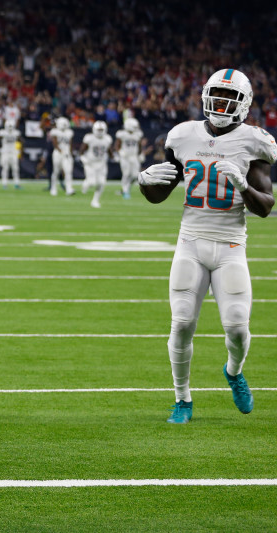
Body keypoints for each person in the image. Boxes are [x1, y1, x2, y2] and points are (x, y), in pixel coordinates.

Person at [137, 69, 276, 424]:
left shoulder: (254, 141)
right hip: (191, 243)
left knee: (237, 327)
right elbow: (160, 193)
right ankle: (182, 399)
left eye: (230, 98)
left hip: (230, 246)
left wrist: (244, 186)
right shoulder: (183, 135)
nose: (222, 103)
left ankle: (233, 371)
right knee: (182, 323)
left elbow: (265, 207)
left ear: (243, 104)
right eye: (217, 95)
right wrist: (144, 182)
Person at [80, 120, 113, 208]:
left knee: (102, 183)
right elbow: (82, 150)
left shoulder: (107, 139)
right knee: (91, 183)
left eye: (101, 130)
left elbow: (109, 150)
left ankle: (95, 200)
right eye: (98, 130)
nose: (100, 132)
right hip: (90, 163)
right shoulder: (89, 138)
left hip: (101, 163)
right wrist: (82, 158)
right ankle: (86, 183)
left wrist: (113, 157)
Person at [114, 117, 145, 199]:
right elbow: (117, 145)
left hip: (134, 156)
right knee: (126, 174)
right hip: (125, 157)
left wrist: (140, 154)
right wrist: (120, 152)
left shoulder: (137, 134)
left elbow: (139, 145)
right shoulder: (122, 134)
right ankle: (125, 191)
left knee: (135, 175)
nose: (136, 129)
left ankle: (126, 189)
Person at [48, 117, 74, 196]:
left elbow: (70, 144)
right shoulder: (55, 132)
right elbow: (55, 144)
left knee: (68, 171)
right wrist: (62, 152)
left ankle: (69, 188)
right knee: (56, 171)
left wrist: (69, 153)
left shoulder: (69, 132)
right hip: (58, 153)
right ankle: (53, 188)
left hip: (66, 154)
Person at [0, 118, 23, 189]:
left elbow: (22, 141)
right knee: (5, 168)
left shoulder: (16, 133)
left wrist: (20, 151)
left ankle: (16, 183)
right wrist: (0, 148)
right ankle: (4, 184)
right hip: (5, 152)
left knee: (15, 168)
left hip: (13, 152)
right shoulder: (2, 132)